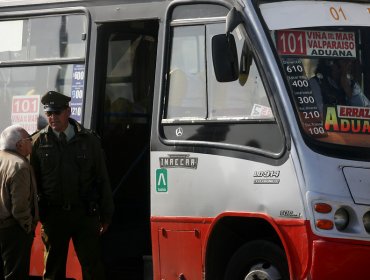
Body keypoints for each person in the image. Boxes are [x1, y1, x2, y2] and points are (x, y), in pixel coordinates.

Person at [30, 91, 114, 280]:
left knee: (92, 268)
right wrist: (36, 215)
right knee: (53, 270)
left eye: (57, 112)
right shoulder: (37, 142)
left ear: (68, 111)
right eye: (49, 113)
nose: (52, 118)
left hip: (84, 215)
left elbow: (102, 178)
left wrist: (106, 214)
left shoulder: (89, 140)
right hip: (53, 216)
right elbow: (32, 183)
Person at [0, 125, 39, 280]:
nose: (32, 142)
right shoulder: (20, 165)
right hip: (13, 230)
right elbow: (20, 207)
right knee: (15, 274)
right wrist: (28, 227)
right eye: (29, 139)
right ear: (19, 145)